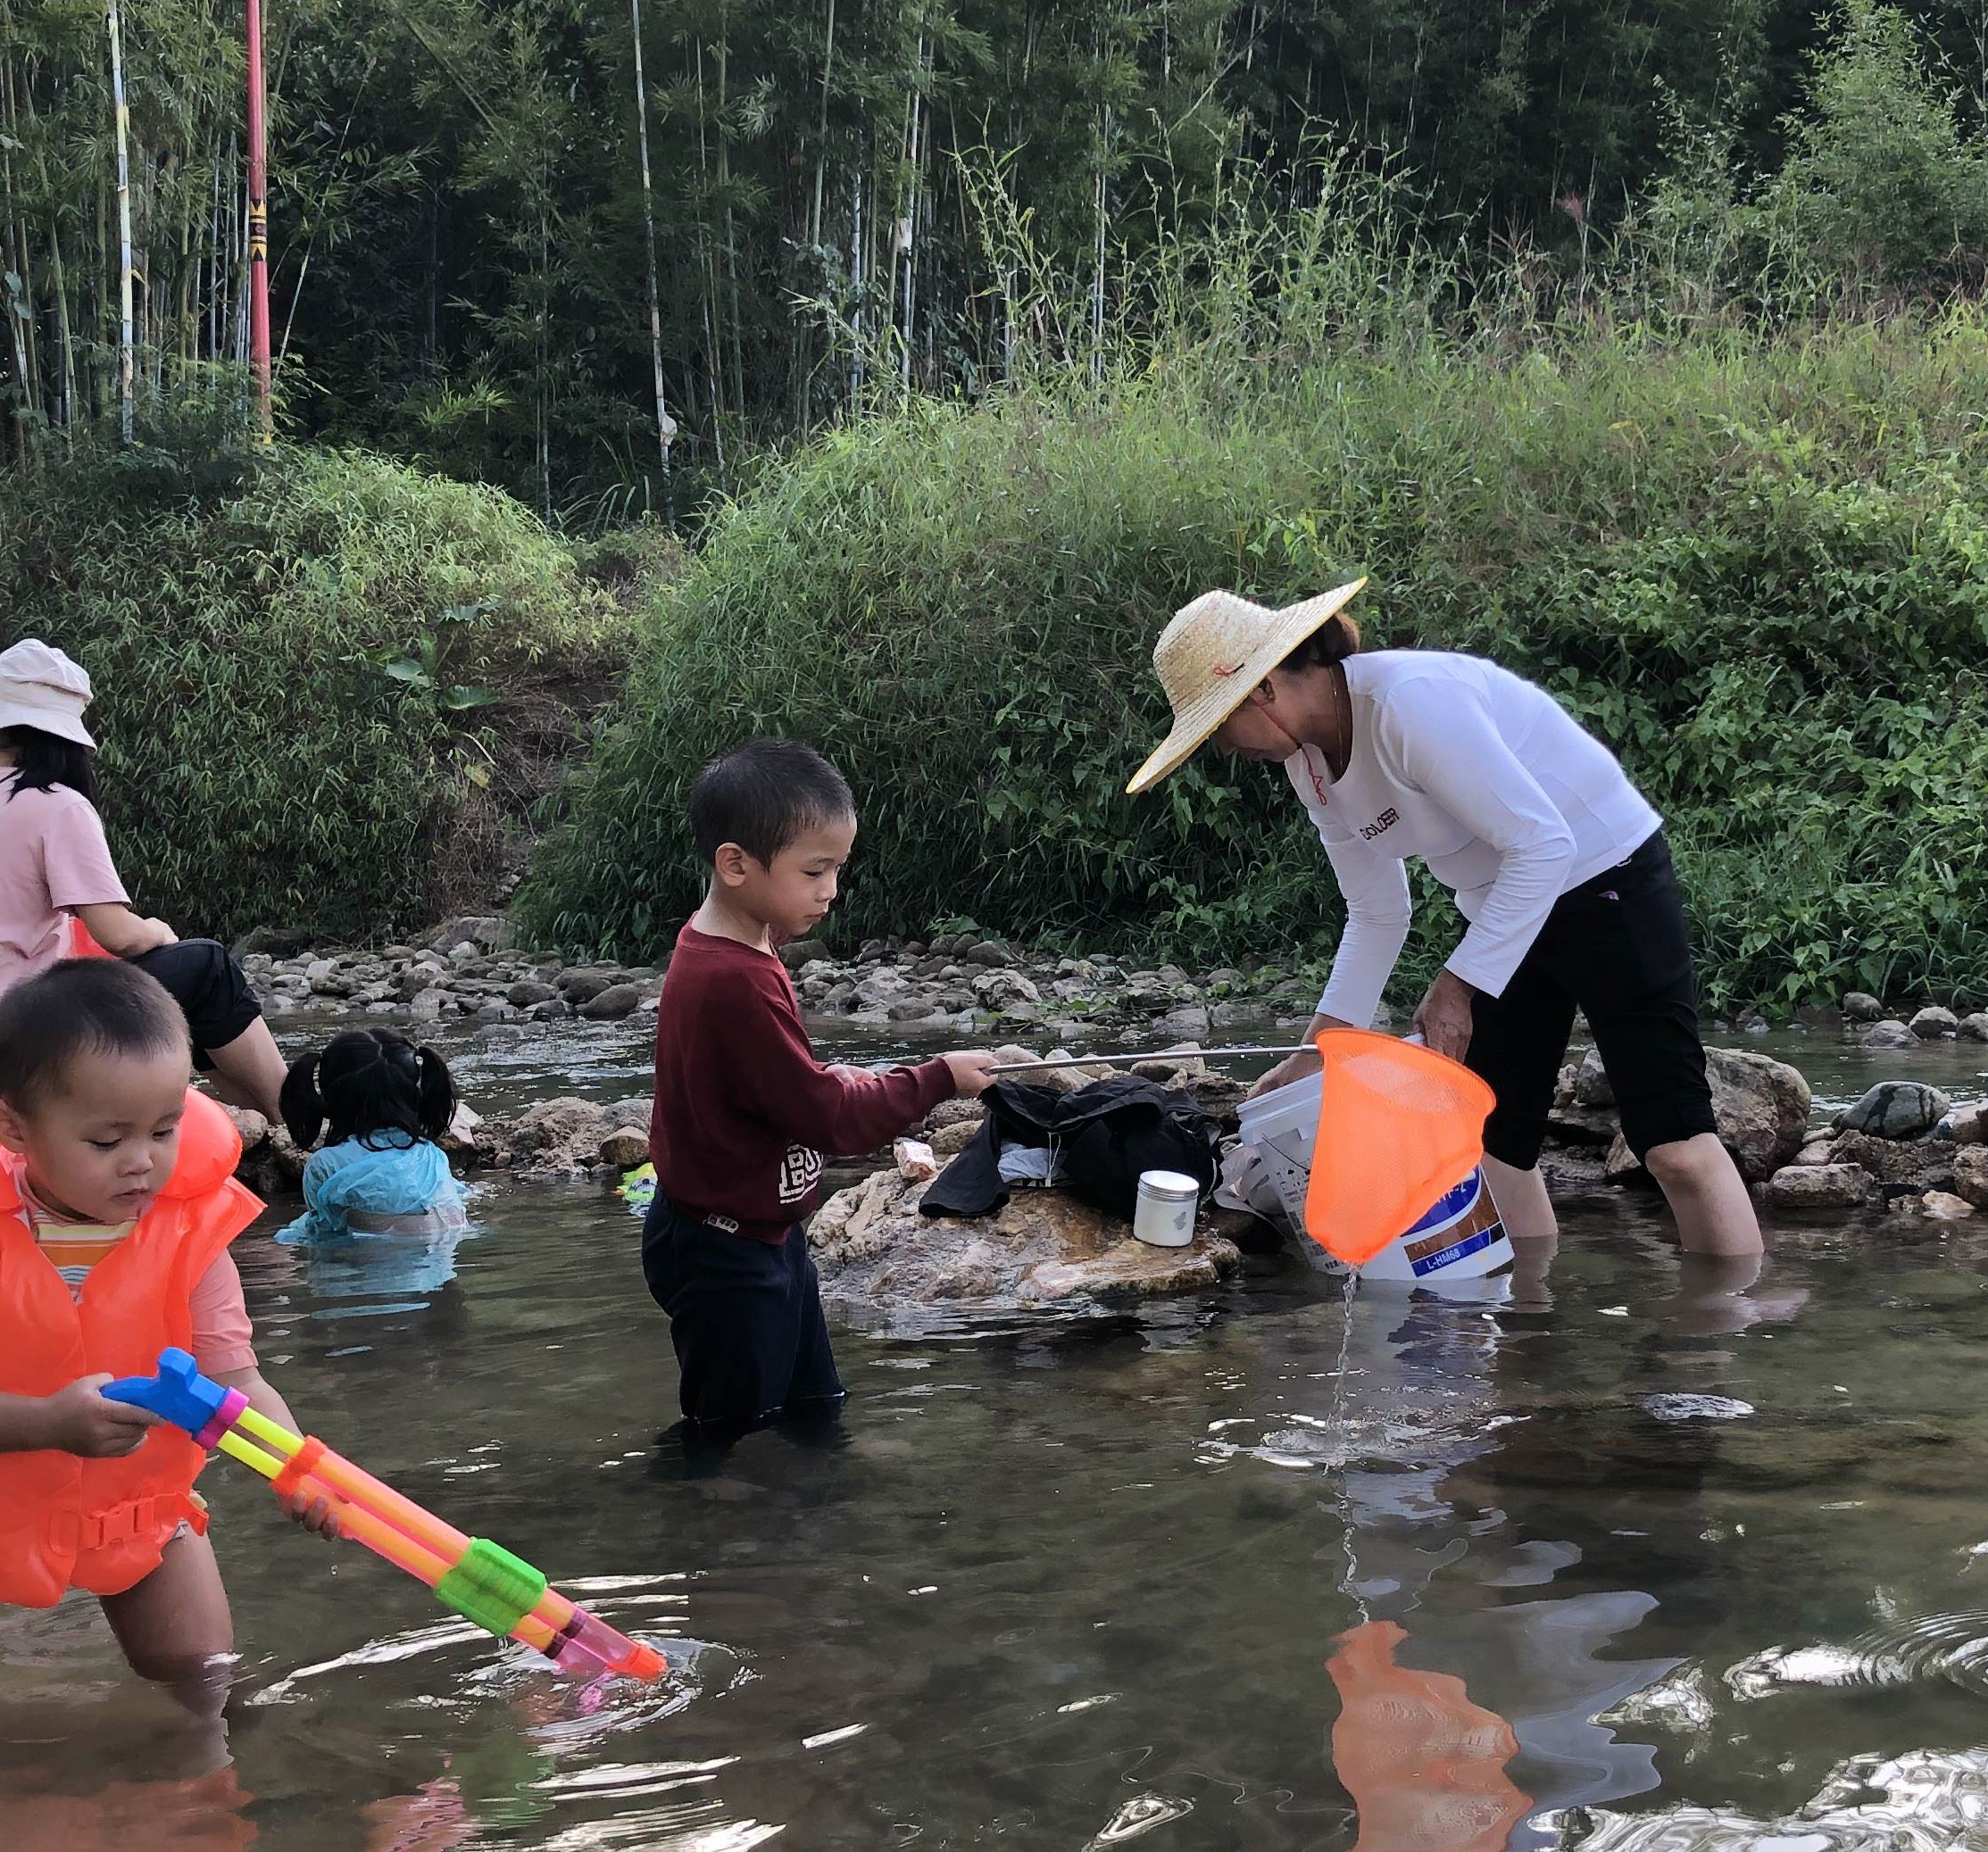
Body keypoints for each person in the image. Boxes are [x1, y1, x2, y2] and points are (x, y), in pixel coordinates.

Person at [1127, 580, 1760, 1258]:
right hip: (1504, 910)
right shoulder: (1307, 766)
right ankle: (1526, 1325)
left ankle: (1721, 1338)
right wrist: (1316, 1053)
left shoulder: (1409, 703)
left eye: (1219, 728)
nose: (1227, 750)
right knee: (1490, 1148)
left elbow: (1545, 844)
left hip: (1607, 878)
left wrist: (1458, 984)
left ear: (1260, 691)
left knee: (1672, 1148)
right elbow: (1376, 911)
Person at [0, 959, 327, 1710]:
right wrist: (50, 1422)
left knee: (205, 1683)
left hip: (142, 1516)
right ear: (13, 1130)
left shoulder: (192, 1231)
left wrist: (296, 1468)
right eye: (106, 1141)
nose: (143, 1162)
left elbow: (238, 1382)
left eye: (164, 1129)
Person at [644, 741, 999, 1441]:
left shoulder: (739, 941)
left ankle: (813, 1536)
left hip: (761, 1236)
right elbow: (830, 1119)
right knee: (730, 1437)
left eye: (837, 868)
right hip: (725, 1256)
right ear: (736, 863)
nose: (831, 890)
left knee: (814, 1410)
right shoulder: (733, 979)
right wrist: (937, 1077)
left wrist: (839, 1079)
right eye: (814, 870)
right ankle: (698, 1532)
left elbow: (779, 1087)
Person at [0, 637, 289, 1122]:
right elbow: (119, 935)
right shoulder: (57, 805)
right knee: (207, 967)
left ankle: (249, 1124)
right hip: (25, 1020)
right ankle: (288, 1114)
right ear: (64, 735)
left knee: (187, 994)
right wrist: (160, 932)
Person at [278, 1028, 467, 1248]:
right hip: (437, 1273)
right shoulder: (431, 1155)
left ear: (332, 1099)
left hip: (362, 1275)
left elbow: (321, 1232)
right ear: (414, 1094)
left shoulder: (324, 1165)